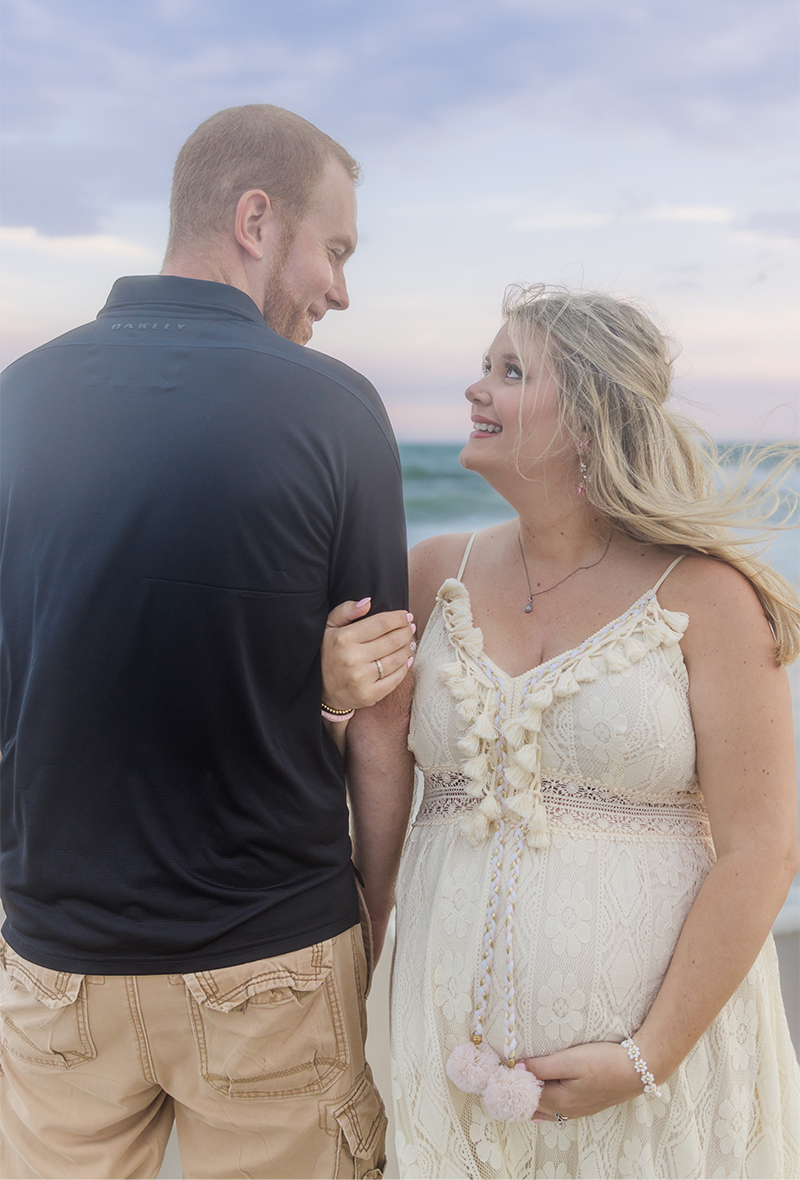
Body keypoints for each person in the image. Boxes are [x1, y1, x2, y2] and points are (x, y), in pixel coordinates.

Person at [0, 104, 415, 1180]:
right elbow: (378, 721)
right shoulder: (335, 409)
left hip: (56, 970)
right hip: (271, 962)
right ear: (255, 218)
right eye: (334, 250)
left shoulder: (16, 401)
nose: (339, 289)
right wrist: (385, 930)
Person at [326, 283, 800, 1177]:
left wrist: (646, 1058)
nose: (476, 390)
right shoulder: (432, 574)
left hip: (661, 1076)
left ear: (588, 418)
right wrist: (328, 690)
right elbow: (357, 760)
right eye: (483, 367)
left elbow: (763, 848)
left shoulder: (708, 596)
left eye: (510, 372)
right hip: (447, 1050)